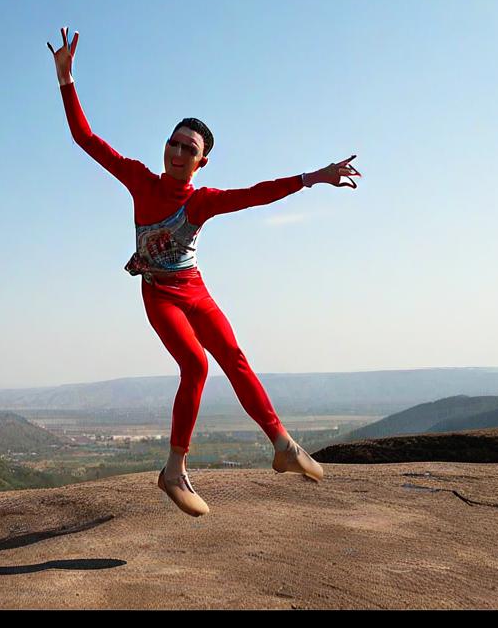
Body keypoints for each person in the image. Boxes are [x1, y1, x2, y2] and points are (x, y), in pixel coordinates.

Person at [48, 27, 361, 517]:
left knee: (233, 356)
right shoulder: (139, 179)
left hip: (194, 289)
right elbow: (86, 139)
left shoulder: (202, 200)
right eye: (173, 143)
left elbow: (256, 193)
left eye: (187, 148)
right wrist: (67, 82)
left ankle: (282, 445)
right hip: (160, 294)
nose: (176, 152)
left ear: (202, 161)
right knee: (195, 365)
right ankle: (174, 470)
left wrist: (312, 178)